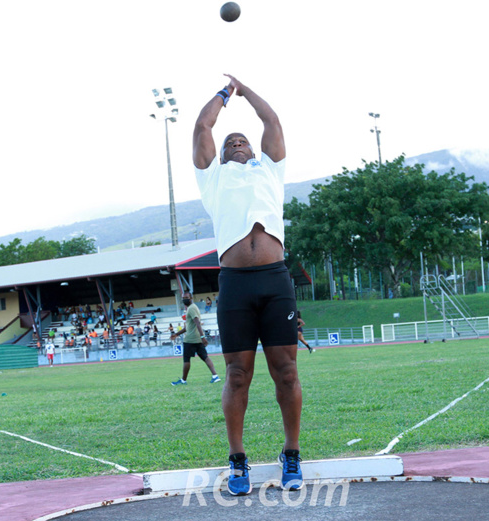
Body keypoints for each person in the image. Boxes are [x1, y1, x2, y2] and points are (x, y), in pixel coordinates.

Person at [193, 74, 303, 495]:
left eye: (243, 140)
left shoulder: (270, 171)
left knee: (287, 372)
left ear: (254, 150)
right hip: (236, 284)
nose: (237, 141)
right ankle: (238, 461)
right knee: (238, 375)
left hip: (275, 281)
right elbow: (203, 128)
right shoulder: (213, 178)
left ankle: (290, 454)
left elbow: (271, 120)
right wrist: (224, 95)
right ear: (220, 155)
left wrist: (246, 88)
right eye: (230, 141)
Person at [170, 291, 221, 386]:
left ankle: (183, 380)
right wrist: (176, 334)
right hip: (197, 338)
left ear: (191, 297)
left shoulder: (192, 308)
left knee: (186, 359)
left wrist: (203, 337)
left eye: (186, 297)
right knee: (205, 357)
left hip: (190, 339)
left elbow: (197, 323)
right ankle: (215, 376)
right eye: (183, 297)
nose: (184, 299)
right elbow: (188, 327)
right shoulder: (192, 308)